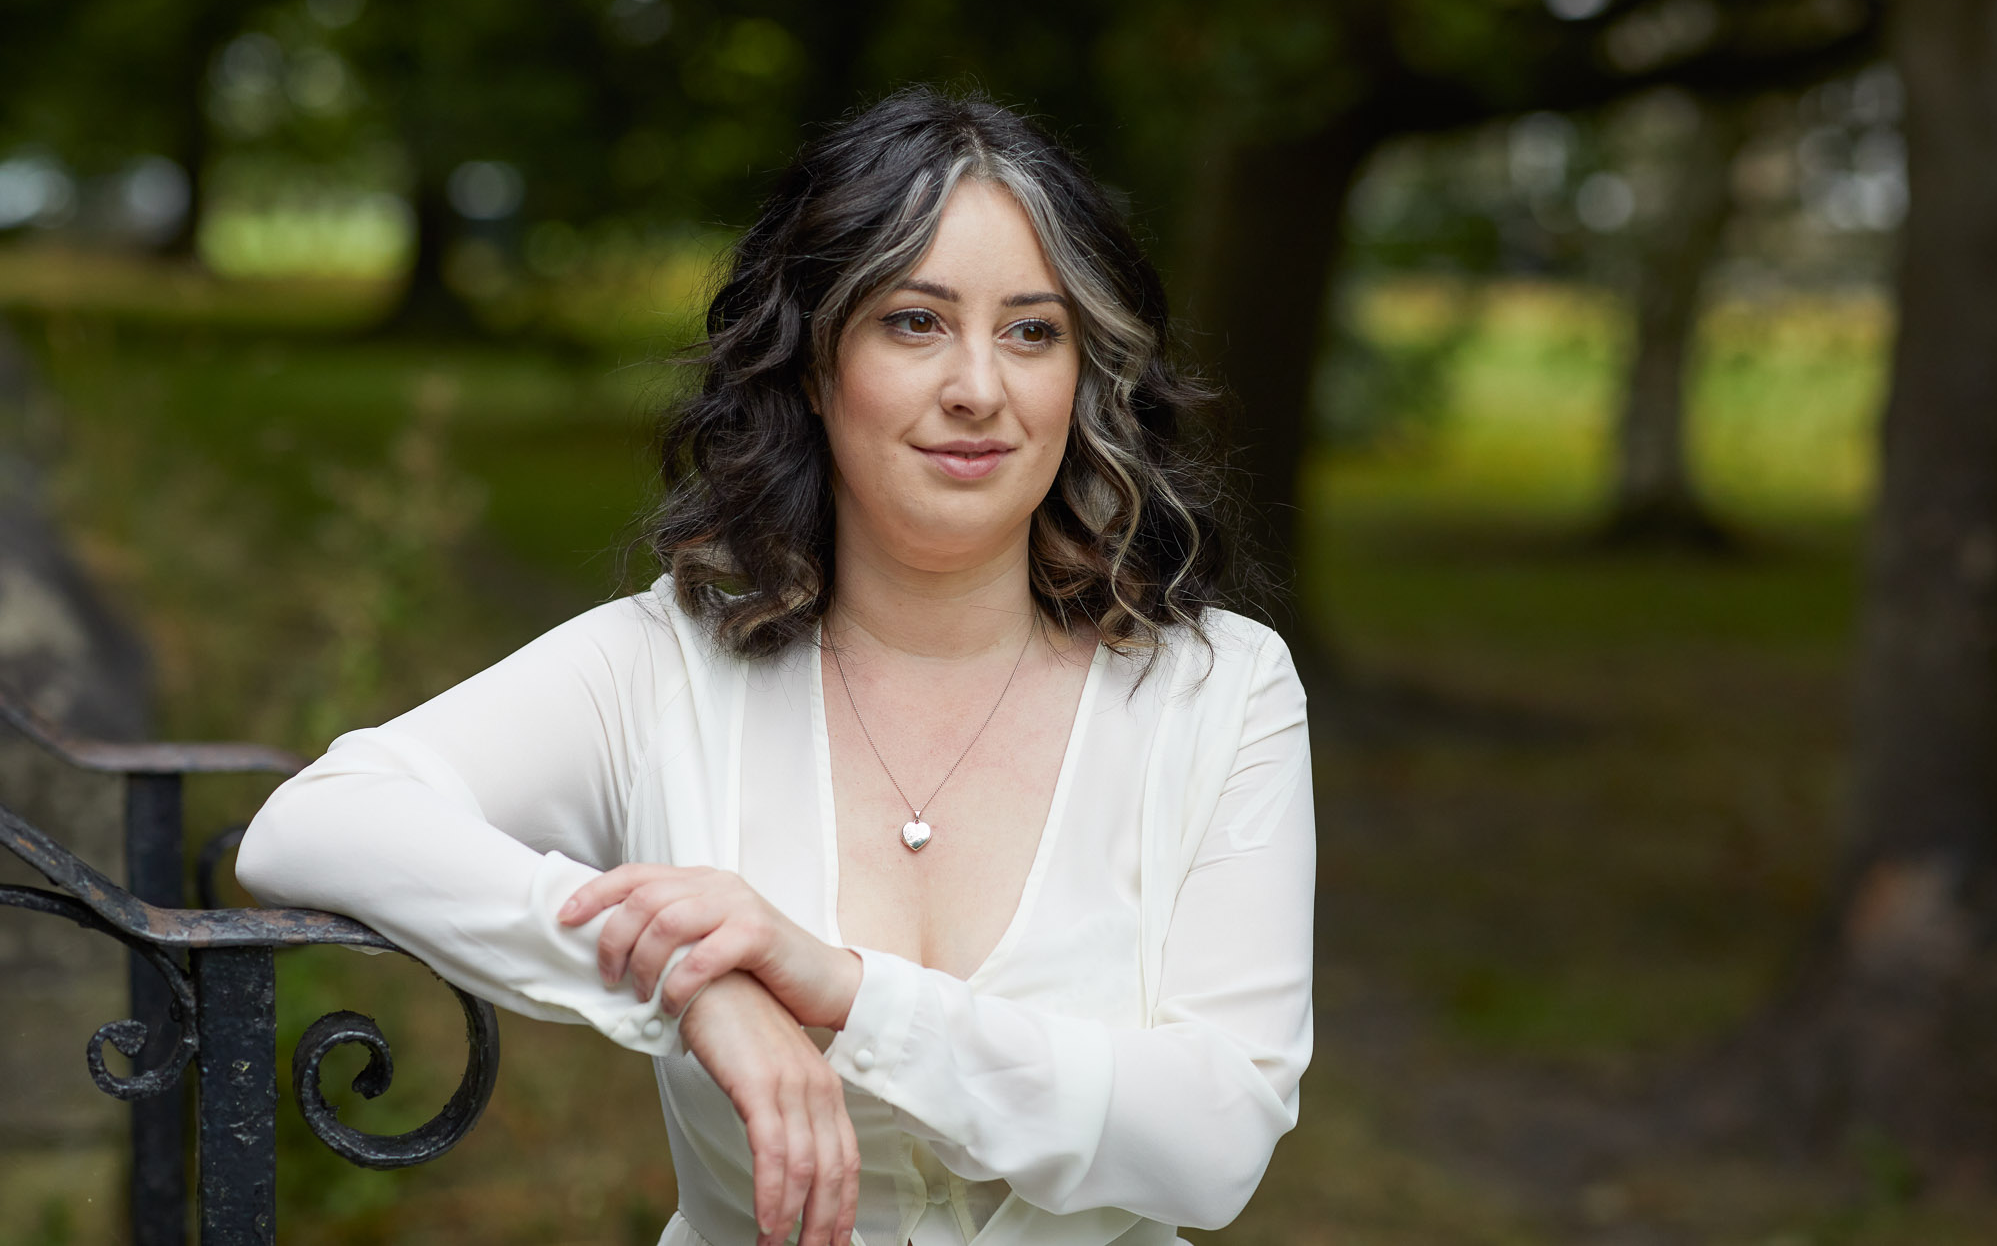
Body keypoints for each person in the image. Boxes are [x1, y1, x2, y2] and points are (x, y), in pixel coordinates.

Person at [237, 87, 1314, 1246]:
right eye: (914, 321)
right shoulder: (665, 669)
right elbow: (314, 822)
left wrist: (843, 995)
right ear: (813, 361)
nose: (978, 389)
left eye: (1030, 330)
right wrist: (690, 985)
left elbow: (1216, 1145)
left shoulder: (1216, 689)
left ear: (1081, 374)